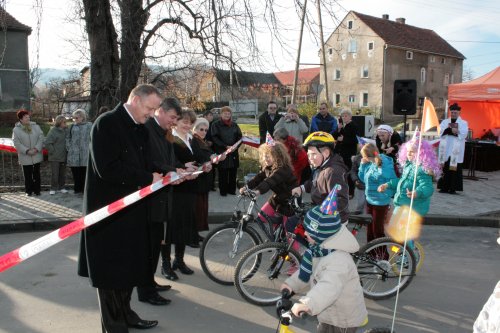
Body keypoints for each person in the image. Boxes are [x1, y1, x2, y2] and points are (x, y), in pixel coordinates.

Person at [77, 84, 163, 332]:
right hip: (108, 216)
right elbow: (108, 168)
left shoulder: (140, 128)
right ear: (136, 100)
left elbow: (150, 163)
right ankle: (114, 326)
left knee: (129, 269)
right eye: (150, 108)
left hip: (133, 213)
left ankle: (127, 315)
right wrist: (148, 179)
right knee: (110, 274)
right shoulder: (107, 124)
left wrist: (173, 172)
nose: (151, 114)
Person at [281, 187, 367, 333]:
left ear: (321, 234)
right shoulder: (319, 249)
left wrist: (307, 304)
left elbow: (329, 287)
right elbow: (307, 272)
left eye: (309, 231)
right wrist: (290, 285)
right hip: (327, 313)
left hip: (342, 319)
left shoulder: (339, 259)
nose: (305, 233)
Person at [136, 97, 184, 307]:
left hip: (162, 196)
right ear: (161, 112)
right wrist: (173, 170)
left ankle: (150, 282)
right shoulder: (147, 129)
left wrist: (180, 169)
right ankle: (145, 290)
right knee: (147, 246)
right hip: (149, 198)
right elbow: (151, 161)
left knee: (156, 243)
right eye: (172, 117)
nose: (173, 122)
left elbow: (169, 158)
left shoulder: (163, 132)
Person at [163, 110, 200, 280]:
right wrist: (183, 167)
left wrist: (202, 165)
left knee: (184, 225)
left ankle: (179, 260)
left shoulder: (190, 138)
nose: (187, 125)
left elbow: (196, 158)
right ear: (176, 122)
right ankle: (166, 264)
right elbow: (168, 161)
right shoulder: (170, 137)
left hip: (189, 187)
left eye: (190, 123)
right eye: (184, 121)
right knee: (170, 228)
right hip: (174, 189)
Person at [291, 132, 349, 224]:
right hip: (321, 213)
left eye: (313, 154)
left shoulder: (333, 172)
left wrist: (321, 211)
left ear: (326, 153)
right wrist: (301, 188)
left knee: (295, 226)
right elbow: (315, 182)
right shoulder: (321, 167)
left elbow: (341, 200)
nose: (310, 158)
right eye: (308, 154)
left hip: (332, 221)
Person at [378, 135, 441, 218]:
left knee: (398, 230)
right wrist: (387, 184)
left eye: (412, 151)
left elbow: (428, 188)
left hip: (413, 208)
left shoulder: (422, 169)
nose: (409, 153)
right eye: (407, 151)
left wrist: (417, 192)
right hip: (401, 204)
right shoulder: (409, 165)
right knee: (394, 229)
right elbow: (402, 180)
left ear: (421, 153)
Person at [242, 140, 298, 220]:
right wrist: (246, 187)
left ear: (277, 156)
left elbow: (270, 181)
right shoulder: (268, 168)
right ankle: (275, 230)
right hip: (278, 198)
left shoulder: (284, 169)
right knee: (262, 217)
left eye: (268, 156)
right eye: (264, 156)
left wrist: (258, 191)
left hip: (290, 200)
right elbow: (258, 178)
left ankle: (281, 231)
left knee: (287, 229)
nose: (265, 159)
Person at [358, 143, 397, 242]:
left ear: (367, 156)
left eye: (363, 156)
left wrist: (385, 186)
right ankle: (370, 252)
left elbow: (393, 180)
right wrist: (362, 166)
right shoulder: (369, 164)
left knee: (377, 230)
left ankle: (382, 255)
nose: (362, 158)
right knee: (370, 229)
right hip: (370, 200)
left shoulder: (385, 163)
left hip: (381, 202)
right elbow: (363, 179)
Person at [191, 117, 219, 242]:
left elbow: (207, 154)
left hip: (203, 180)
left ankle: (195, 233)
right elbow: (196, 157)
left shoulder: (202, 141)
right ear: (195, 129)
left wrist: (214, 157)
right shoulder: (193, 141)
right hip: (197, 180)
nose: (203, 132)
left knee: (201, 209)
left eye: (205, 130)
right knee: (196, 209)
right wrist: (208, 159)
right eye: (201, 129)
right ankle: (192, 236)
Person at [437, 103, 468, 194]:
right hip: (446, 148)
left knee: (454, 168)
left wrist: (457, 131)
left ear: (459, 112)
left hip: (456, 150)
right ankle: (443, 187)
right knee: (445, 168)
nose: (453, 114)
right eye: (452, 112)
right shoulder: (445, 122)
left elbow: (464, 134)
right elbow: (440, 132)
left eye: (455, 112)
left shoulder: (463, 123)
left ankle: (453, 188)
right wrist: (448, 130)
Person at [211, 106, 242, 196]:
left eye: (229, 113)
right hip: (222, 152)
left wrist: (236, 146)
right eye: (225, 113)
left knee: (233, 172)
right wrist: (225, 146)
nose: (227, 115)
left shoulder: (235, 125)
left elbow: (240, 137)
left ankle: (232, 190)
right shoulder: (215, 125)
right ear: (221, 114)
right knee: (223, 172)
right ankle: (223, 191)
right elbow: (214, 137)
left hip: (233, 152)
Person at [12, 109, 44, 196]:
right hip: (25, 156)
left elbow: (41, 138)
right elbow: (16, 142)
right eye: (26, 117)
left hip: (36, 154)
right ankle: (28, 191)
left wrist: (36, 149)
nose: (28, 118)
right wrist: (27, 151)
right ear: (21, 119)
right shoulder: (16, 130)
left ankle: (37, 190)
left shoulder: (36, 127)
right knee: (27, 174)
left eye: (28, 117)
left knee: (36, 174)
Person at [66, 109, 92, 194]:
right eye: (74, 118)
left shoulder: (89, 125)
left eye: (77, 117)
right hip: (74, 154)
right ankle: (77, 189)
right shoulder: (72, 126)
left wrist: (90, 147)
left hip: (85, 153)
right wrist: (69, 147)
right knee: (75, 172)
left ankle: (85, 190)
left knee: (84, 172)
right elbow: (68, 137)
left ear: (82, 117)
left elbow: (93, 137)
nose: (75, 119)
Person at [334, 109, 358, 197]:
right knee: (342, 173)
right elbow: (335, 136)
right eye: (342, 116)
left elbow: (355, 140)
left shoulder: (353, 126)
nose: (344, 117)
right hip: (341, 153)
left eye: (346, 116)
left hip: (349, 153)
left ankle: (351, 192)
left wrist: (343, 139)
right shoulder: (344, 126)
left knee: (349, 172)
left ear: (350, 116)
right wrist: (338, 129)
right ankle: (343, 190)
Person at [44, 115, 68, 195]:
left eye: (65, 122)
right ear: (59, 122)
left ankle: (62, 187)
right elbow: (47, 142)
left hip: (64, 156)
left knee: (62, 173)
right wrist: (53, 151)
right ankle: (53, 188)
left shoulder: (66, 130)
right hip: (55, 157)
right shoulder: (53, 131)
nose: (66, 123)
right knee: (55, 173)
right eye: (64, 122)